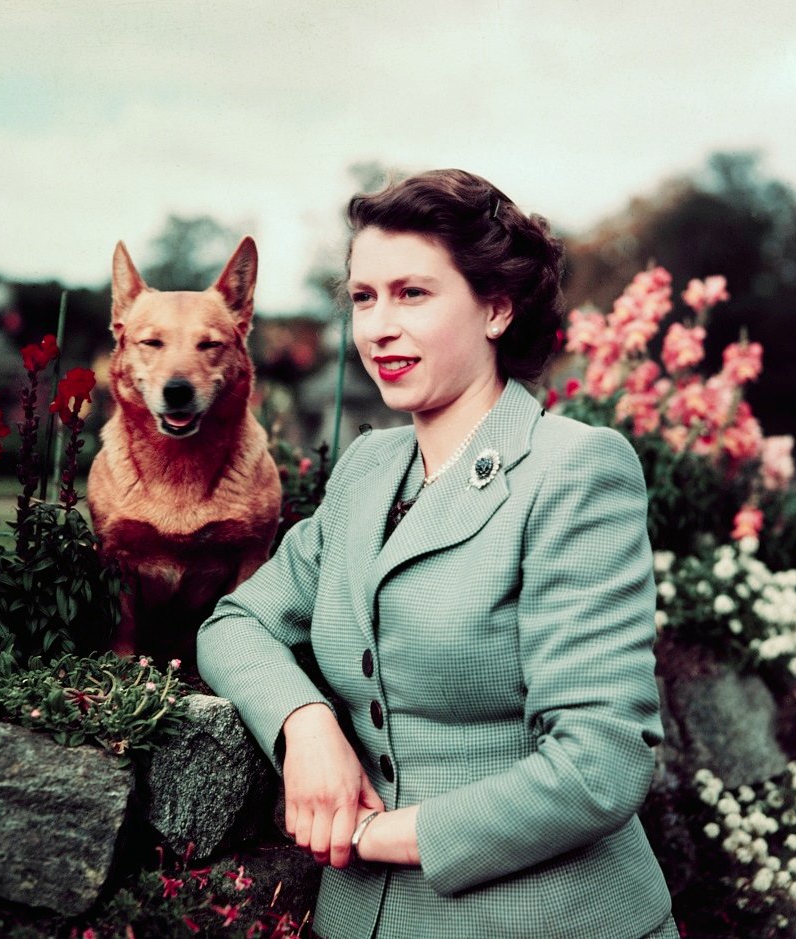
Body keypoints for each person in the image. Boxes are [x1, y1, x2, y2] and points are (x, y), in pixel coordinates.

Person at [197, 169, 677, 939]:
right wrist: (306, 722)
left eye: (412, 294)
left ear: (494, 307)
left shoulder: (573, 468)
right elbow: (234, 623)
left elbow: (600, 763)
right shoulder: (365, 470)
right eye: (362, 297)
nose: (378, 326)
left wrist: (373, 834)